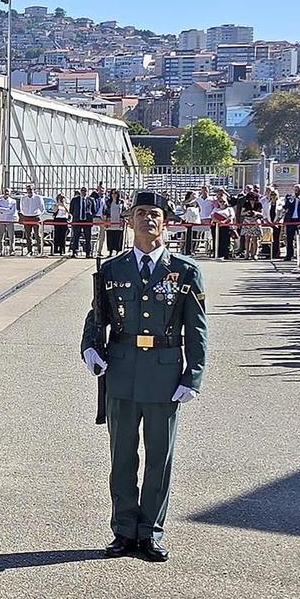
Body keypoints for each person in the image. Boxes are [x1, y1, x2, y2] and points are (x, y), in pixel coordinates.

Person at [81, 192, 208, 562]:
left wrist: (192, 376)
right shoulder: (112, 269)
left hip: (164, 374)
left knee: (158, 458)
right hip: (121, 369)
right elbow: (97, 315)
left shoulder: (184, 270)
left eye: (154, 215)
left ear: (165, 222)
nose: (147, 220)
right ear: (130, 221)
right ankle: (123, 529)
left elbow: (197, 329)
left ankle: (151, 530)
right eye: (140, 214)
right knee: (121, 456)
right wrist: (90, 348)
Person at [0, 188, 20, 256]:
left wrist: (4, 210)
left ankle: (12, 250)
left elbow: (12, 211)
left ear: (10, 193)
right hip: (1, 219)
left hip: (10, 220)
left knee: (11, 236)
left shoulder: (13, 201)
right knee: (0, 236)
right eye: (5, 191)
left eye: (7, 191)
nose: (6, 193)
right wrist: (7, 210)